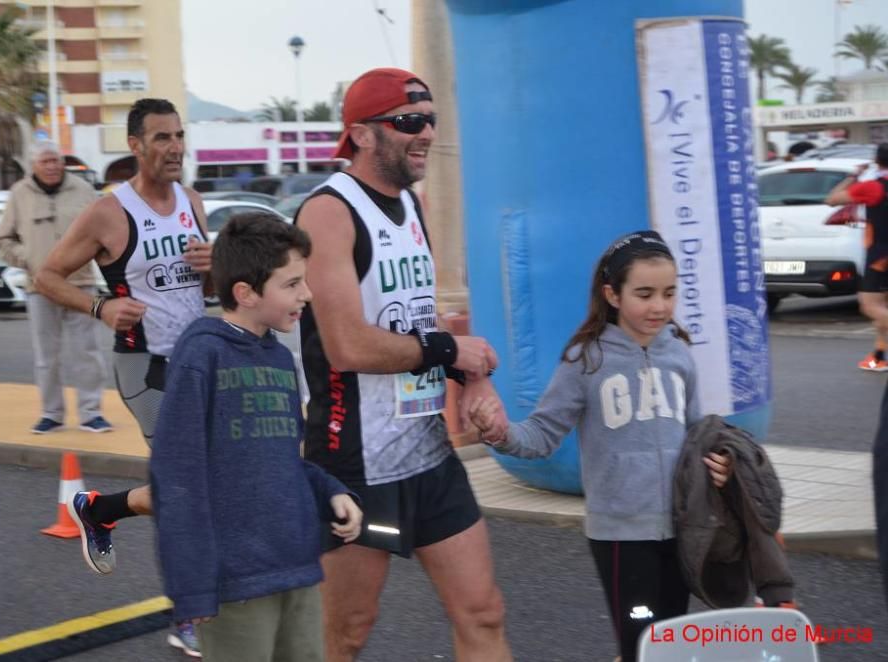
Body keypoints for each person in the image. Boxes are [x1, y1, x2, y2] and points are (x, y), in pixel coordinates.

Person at [294, 67, 511, 662]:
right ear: (361, 135)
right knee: (346, 634)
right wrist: (448, 352)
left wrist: (473, 379)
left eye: (430, 121)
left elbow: (421, 322)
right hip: (357, 465)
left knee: (483, 612)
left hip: (428, 455)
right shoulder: (328, 212)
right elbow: (347, 346)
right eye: (409, 122)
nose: (425, 134)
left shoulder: (413, 207)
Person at [468, 230, 731, 662]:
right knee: (639, 645)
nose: (659, 306)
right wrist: (500, 432)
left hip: (683, 529)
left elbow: (697, 433)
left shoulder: (679, 354)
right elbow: (542, 434)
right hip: (620, 537)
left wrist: (722, 462)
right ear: (612, 294)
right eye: (644, 294)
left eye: (669, 293)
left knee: (673, 645)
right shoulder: (585, 359)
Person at [35, 98, 213, 657]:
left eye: (180, 135)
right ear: (135, 145)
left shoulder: (192, 201)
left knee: (201, 482)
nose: (175, 147)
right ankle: (187, 616)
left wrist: (214, 272)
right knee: (189, 489)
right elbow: (46, 276)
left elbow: (203, 292)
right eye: (162, 138)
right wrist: (101, 309)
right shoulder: (110, 211)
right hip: (145, 367)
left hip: (197, 361)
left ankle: (100, 509)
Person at [151, 212, 363, 662]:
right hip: (237, 582)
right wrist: (191, 588)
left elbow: (283, 460)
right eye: (291, 284)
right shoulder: (201, 356)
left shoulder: (280, 361)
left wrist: (330, 492)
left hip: (297, 569)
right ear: (245, 293)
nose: (306, 294)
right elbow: (176, 477)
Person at [0, 141, 111, 434]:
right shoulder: (19, 194)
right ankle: (52, 413)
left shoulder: (84, 190)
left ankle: (91, 412)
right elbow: (3, 238)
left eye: (56, 160)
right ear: (33, 165)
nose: (52, 166)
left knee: (88, 352)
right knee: (46, 357)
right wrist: (29, 259)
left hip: (81, 285)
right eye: (45, 161)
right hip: (40, 288)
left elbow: (101, 232)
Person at [825, 150, 888, 371]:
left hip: (881, 256)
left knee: (870, 305)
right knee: (882, 307)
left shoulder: (873, 187)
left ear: (878, 161)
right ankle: (878, 357)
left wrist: (854, 175)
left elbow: (832, 199)